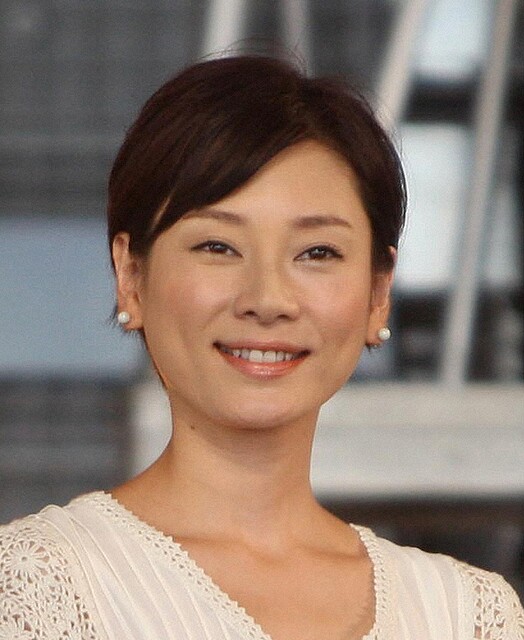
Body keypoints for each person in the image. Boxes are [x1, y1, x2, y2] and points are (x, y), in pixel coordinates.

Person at [0, 55, 522, 640]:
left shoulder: (468, 613)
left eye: (317, 253)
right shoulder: (40, 587)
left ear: (379, 292)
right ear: (131, 275)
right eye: (218, 247)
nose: (268, 299)